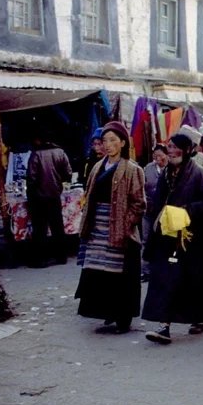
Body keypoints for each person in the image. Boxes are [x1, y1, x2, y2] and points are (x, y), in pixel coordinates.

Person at [142, 133, 203, 344]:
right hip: (167, 237)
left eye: (175, 147)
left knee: (194, 281)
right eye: (168, 147)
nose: (170, 151)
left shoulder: (198, 174)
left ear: (187, 150)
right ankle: (164, 326)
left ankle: (200, 318)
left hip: (192, 238)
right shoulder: (165, 174)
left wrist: (186, 211)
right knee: (165, 279)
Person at [75, 121, 146, 333]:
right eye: (104, 141)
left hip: (119, 226)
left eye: (113, 140)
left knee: (119, 274)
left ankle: (123, 317)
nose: (107, 145)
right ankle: (105, 312)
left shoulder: (133, 169)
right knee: (98, 271)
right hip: (98, 224)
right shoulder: (97, 167)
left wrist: (125, 223)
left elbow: (139, 203)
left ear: (123, 143)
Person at [27, 127, 72, 267]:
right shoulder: (60, 152)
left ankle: (40, 260)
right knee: (57, 226)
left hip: (39, 197)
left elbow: (31, 178)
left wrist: (30, 191)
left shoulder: (36, 154)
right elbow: (68, 173)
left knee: (40, 229)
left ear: (38, 140)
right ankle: (61, 257)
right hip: (54, 195)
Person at [141, 144, 168, 280]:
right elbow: (142, 188)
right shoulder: (148, 169)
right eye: (155, 156)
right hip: (149, 209)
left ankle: (162, 270)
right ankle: (146, 270)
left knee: (163, 241)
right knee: (146, 239)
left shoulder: (171, 169)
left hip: (165, 212)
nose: (158, 159)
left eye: (160, 155)